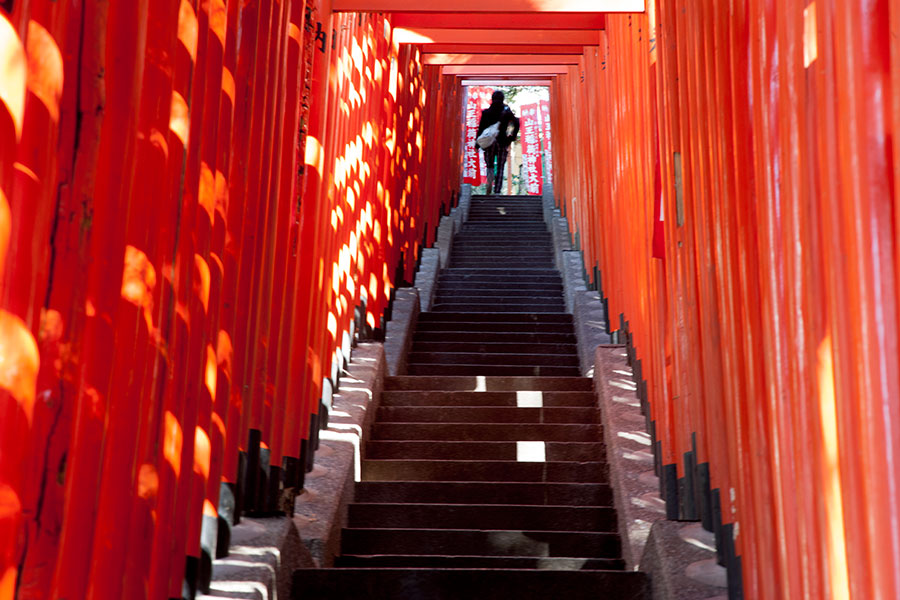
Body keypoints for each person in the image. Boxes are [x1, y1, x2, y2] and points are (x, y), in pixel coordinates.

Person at [476, 91, 520, 194]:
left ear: (492, 98)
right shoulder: (507, 111)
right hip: (502, 142)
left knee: (490, 165)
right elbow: (516, 123)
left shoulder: (486, 112)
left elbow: (481, 128)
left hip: (489, 142)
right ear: (503, 98)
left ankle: (489, 184)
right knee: (500, 166)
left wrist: (477, 144)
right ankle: (497, 191)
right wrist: (511, 138)